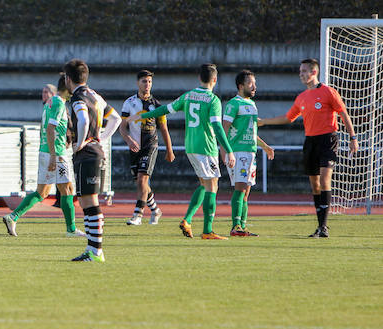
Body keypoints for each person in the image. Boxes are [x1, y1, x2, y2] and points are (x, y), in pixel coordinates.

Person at [129, 64, 236, 240]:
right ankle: (207, 230)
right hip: (205, 147)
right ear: (215, 80)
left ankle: (187, 220)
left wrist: (143, 115)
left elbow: (166, 109)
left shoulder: (188, 96)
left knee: (204, 184)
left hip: (191, 146)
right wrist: (229, 150)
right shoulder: (213, 100)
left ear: (199, 78)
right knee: (212, 186)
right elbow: (217, 126)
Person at [258, 58, 358, 238]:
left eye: (304, 71)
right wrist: (264, 122)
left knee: (325, 180)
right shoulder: (302, 97)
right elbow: (288, 118)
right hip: (310, 142)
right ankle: (320, 227)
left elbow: (343, 113)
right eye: (300, 72)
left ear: (314, 72)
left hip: (328, 140)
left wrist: (353, 138)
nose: (301, 75)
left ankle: (324, 227)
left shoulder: (328, 92)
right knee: (315, 185)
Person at [2, 78, 82, 236]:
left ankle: (13, 217)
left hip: (45, 151)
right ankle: (71, 229)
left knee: (42, 192)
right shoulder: (58, 103)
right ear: (68, 86)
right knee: (67, 189)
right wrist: (53, 155)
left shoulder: (50, 102)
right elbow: (50, 129)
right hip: (56, 153)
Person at [63, 59, 109, 262]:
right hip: (95, 151)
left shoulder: (78, 97)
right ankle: (92, 249)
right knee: (85, 201)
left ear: (68, 78)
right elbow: (115, 118)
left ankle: (96, 251)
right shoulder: (95, 95)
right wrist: (101, 138)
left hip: (87, 154)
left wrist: (81, 143)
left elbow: (82, 119)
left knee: (90, 201)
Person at [119, 70, 175, 225]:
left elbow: (164, 129)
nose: (147, 84)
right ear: (138, 83)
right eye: (144, 81)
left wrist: (169, 150)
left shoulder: (157, 105)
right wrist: (129, 140)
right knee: (140, 183)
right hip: (135, 147)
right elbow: (122, 127)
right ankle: (155, 210)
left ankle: (138, 215)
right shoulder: (129, 103)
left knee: (143, 179)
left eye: (150, 81)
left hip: (150, 145)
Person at [223, 70, 274, 237]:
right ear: (241, 86)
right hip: (238, 152)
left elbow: (251, 131)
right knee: (240, 188)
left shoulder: (252, 105)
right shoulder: (233, 104)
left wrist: (264, 146)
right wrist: (225, 151)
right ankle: (236, 226)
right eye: (250, 83)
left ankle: (242, 227)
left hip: (250, 152)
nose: (254, 87)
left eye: (255, 83)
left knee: (246, 192)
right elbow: (224, 128)